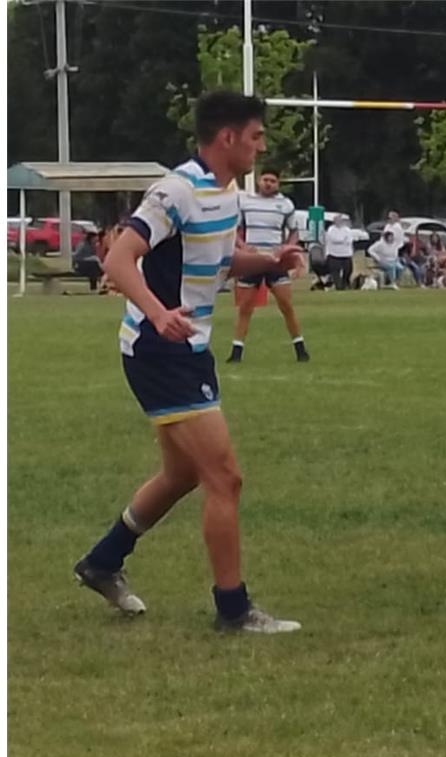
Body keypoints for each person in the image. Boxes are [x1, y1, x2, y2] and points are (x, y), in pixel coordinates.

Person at [71, 91, 302, 633]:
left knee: (181, 475)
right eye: (255, 137)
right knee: (225, 476)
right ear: (227, 138)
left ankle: (102, 562)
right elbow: (118, 260)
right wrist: (156, 314)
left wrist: (268, 260)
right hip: (159, 350)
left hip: (187, 348)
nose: (260, 147)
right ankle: (234, 610)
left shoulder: (224, 194)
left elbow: (220, 261)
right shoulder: (176, 191)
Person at [229, 168, 308, 363]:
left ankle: (300, 349)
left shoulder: (285, 204)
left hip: (275, 262)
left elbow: (294, 232)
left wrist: (287, 248)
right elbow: (235, 230)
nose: (268, 183)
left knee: (286, 305)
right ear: (258, 180)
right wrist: (244, 247)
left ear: (278, 183)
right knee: (245, 307)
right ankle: (236, 352)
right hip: (252, 261)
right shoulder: (245, 202)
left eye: (273, 180)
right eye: (265, 179)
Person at [323, 213, 355, 291]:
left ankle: (345, 284)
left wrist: (343, 240)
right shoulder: (331, 230)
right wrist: (342, 240)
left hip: (346, 254)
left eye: (340, 220)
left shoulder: (347, 230)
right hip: (334, 254)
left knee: (348, 270)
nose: (339, 221)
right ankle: (338, 286)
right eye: (337, 220)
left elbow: (349, 240)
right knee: (335, 272)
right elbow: (335, 239)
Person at [72, 226, 104, 292]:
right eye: (95, 239)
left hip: (89, 266)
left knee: (94, 268)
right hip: (80, 265)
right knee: (94, 264)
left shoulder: (92, 246)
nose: (96, 240)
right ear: (91, 238)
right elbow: (76, 257)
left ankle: (99, 285)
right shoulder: (83, 245)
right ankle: (97, 286)